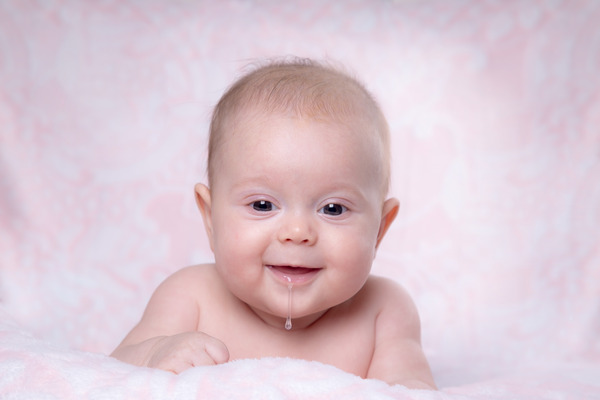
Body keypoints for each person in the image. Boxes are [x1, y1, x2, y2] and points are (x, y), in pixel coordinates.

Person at [111, 58, 436, 390]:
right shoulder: (190, 296)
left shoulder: (384, 312)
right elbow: (113, 367)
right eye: (262, 205)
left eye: (334, 209)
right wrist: (156, 353)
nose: (297, 233)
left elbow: (409, 388)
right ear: (210, 218)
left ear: (380, 229)